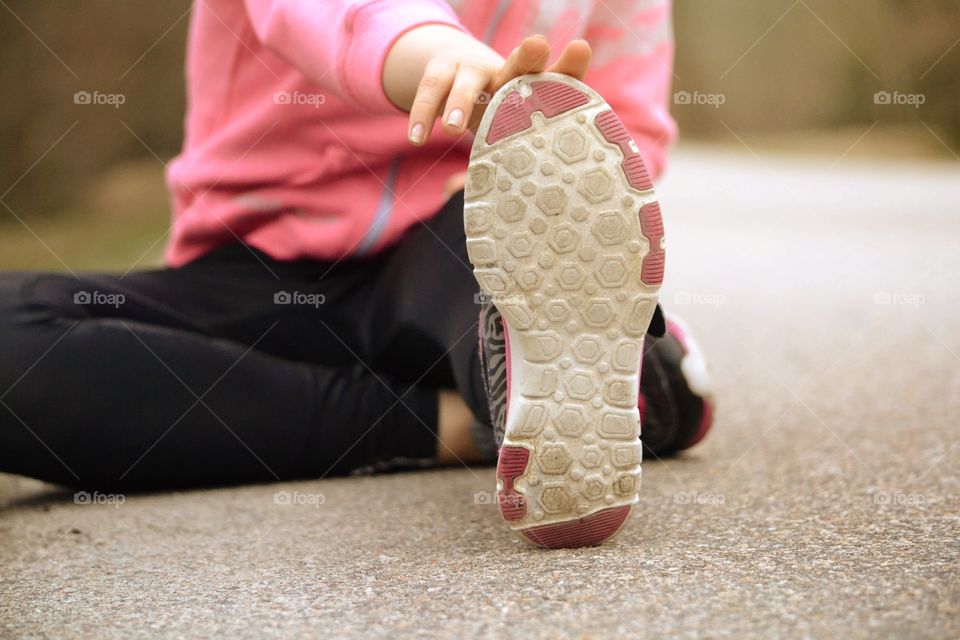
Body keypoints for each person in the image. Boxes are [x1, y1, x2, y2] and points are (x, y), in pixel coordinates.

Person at [0, 0, 712, 546]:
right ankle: (476, 418)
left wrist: (550, 131)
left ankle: (562, 368)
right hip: (254, 268)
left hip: (454, 240)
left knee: (501, 258)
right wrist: (436, 57)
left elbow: (624, 132)